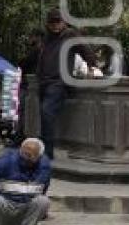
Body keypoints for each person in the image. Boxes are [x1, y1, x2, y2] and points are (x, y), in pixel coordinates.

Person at [36, 8, 97, 159]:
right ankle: (45, 149)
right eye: (52, 22)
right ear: (48, 23)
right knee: (44, 116)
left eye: (58, 21)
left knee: (46, 112)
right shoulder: (47, 38)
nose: (55, 24)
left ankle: (47, 153)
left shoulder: (70, 35)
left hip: (59, 82)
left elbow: (86, 50)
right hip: (44, 82)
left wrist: (91, 67)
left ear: (63, 22)